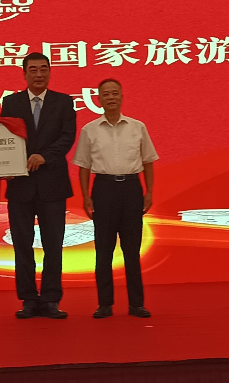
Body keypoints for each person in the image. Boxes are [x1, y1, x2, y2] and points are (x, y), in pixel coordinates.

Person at [72, 78, 158, 319]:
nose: (111, 97)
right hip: (103, 189)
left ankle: (136, 304)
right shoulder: (89, 130)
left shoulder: (137, 127)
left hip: (131, 189)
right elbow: (83, 167)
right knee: (104, 250)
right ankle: (105, 304)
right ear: (98, 99)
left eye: (115, 93)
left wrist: (149, 191)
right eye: (106, 94)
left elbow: (148, 161)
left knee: (132, 250)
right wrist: (86, 196)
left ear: (122, 96)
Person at [0, 52, 76, 319]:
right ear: (24, 73)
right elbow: (4, 139)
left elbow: (67, 137)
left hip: (52, 184)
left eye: (44, 69)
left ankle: (51, 299)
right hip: (20, 185)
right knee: (22, 245)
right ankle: (29, 299)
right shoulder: (11, 103)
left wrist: (45, 156)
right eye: (33, 69)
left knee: (53, 244)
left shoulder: (64, 102)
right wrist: (5, 165)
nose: (39, 74)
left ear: (50, 72)